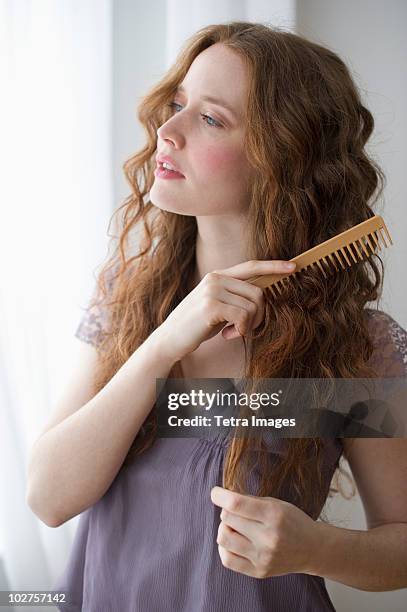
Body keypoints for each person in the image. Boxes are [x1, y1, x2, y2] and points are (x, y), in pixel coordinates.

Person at [26, 21, 407, 611]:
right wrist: (161, 344)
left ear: (280, 159)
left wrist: (316, 548)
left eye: (210, 119)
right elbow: (48, 497)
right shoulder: (126, 300)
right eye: (177, 104)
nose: (167, 131)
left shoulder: (357, 345)